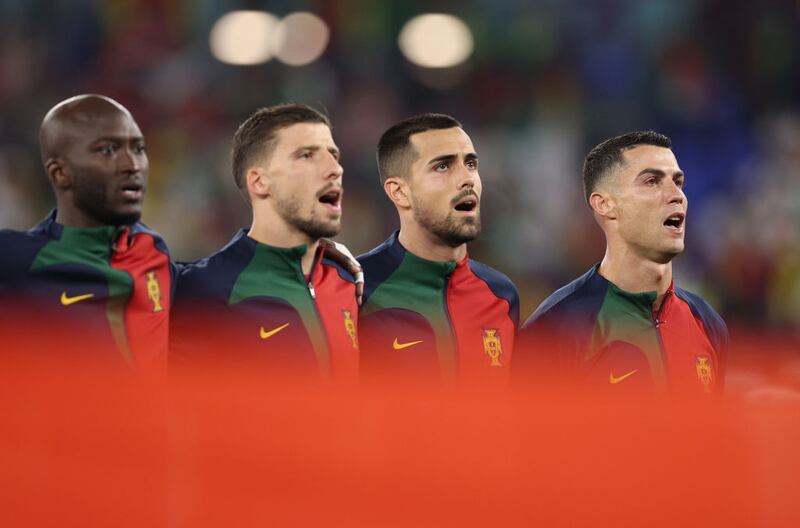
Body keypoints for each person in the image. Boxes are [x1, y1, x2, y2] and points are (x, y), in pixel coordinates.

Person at [516, 131, 728, 394]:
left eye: (678, 182)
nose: (677, 196)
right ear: (604, 204)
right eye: (652, 181)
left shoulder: (707, 322)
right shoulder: (555, 327)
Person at [170, 104, 359, 381]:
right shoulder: (206, 288)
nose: (335, 169)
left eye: (334, 155)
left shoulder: (350, 286)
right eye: (306, 155)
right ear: (260, 182)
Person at [0, 94, 171, 372]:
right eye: (107, 150)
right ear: (60, 173)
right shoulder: (16, 262)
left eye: (138, 148)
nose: (132, 165)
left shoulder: (153, 250)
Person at [358, 113, 519, 385]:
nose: (467, 179)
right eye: (443, 166)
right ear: (399, 192)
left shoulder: (501, 295)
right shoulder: (352, 290)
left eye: (470, 164)